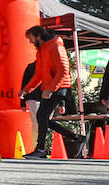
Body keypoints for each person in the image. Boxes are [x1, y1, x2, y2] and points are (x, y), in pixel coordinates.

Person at [20, 26, 76, 159]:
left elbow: (63, 70)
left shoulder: (56, 46)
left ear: (37, 35)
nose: (30, 42)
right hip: (51, 87)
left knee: (41, 116)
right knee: (42, 117)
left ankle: (40, 149)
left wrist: (51, 89)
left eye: (30, 38)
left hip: (59, 87)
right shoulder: (42, 50)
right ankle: (75, 137)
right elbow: (39, 73)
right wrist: (27, 89)